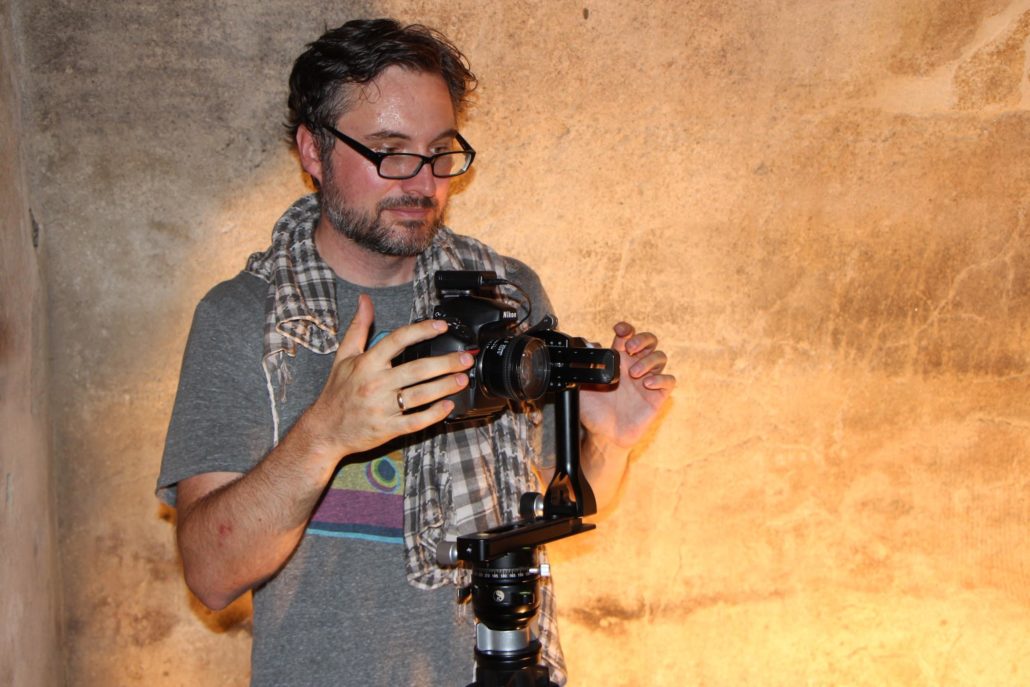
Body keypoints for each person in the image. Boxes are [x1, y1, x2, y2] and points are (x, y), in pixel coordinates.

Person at [157, 17, 674, 687]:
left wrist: (611, 444)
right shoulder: (243, 318)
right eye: (390, 151)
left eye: (440, 153)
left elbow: (548, 508)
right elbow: (211, 574)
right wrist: (326, 434)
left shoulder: (505, 298)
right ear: (313, 150)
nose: (424, 182)